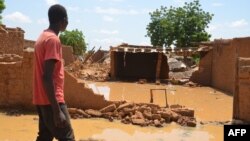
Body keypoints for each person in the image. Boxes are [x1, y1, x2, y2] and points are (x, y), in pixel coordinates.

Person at [33, 4, 75, 141]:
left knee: (45, 136)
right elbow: (47, 77)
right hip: (52, 100)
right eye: (67, 19)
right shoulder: (53, 40)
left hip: (41, 99)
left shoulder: (42, 37)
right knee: (68, 137)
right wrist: (57, 111)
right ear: (62, 20)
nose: (67, 22)